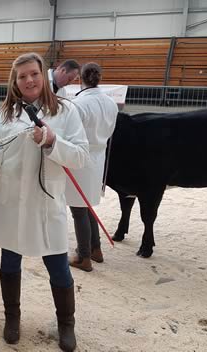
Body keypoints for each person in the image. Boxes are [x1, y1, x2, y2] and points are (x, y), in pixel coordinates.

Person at [0, 52, 89, 352]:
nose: (29, 80)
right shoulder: (5, 115)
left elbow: (80, 156)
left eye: (34, 73)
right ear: (14, 82)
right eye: (22, 76)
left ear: (43, 75)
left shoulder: (66, 112)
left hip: (46, 205)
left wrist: (53, 141)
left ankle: (66, 323)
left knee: (58, 267)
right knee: (9, 263)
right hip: (12, 204)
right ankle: (12, 318)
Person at [65, 63, 118, 272]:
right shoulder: (111, 103)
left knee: (79, 209)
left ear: (80, 79)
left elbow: (71, 133)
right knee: (86, 205)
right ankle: (96, 249)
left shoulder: (78, 103)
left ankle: (83, 256)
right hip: (99, 157)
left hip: (82, 157)